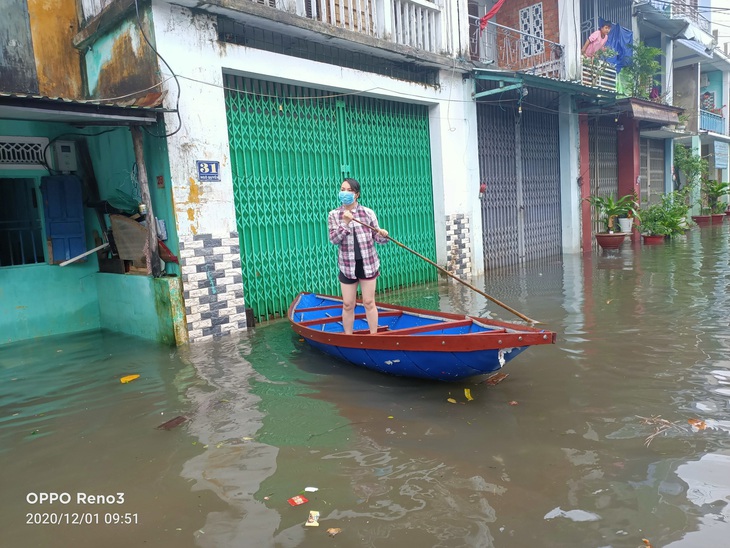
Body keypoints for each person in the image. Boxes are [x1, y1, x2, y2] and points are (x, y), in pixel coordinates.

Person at [328, 178, 389, 335]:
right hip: (347, 266)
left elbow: (379, 239)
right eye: (343, 189)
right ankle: (348, 336)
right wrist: (345, 223)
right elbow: (334, 239)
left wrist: (383, 234)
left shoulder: (367, 213)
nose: (345, 193)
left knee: (369, 302)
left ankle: (374, 335)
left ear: (357, 194)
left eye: (349, 190)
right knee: (348, 304)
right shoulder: (334, 215)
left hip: (368, 264)